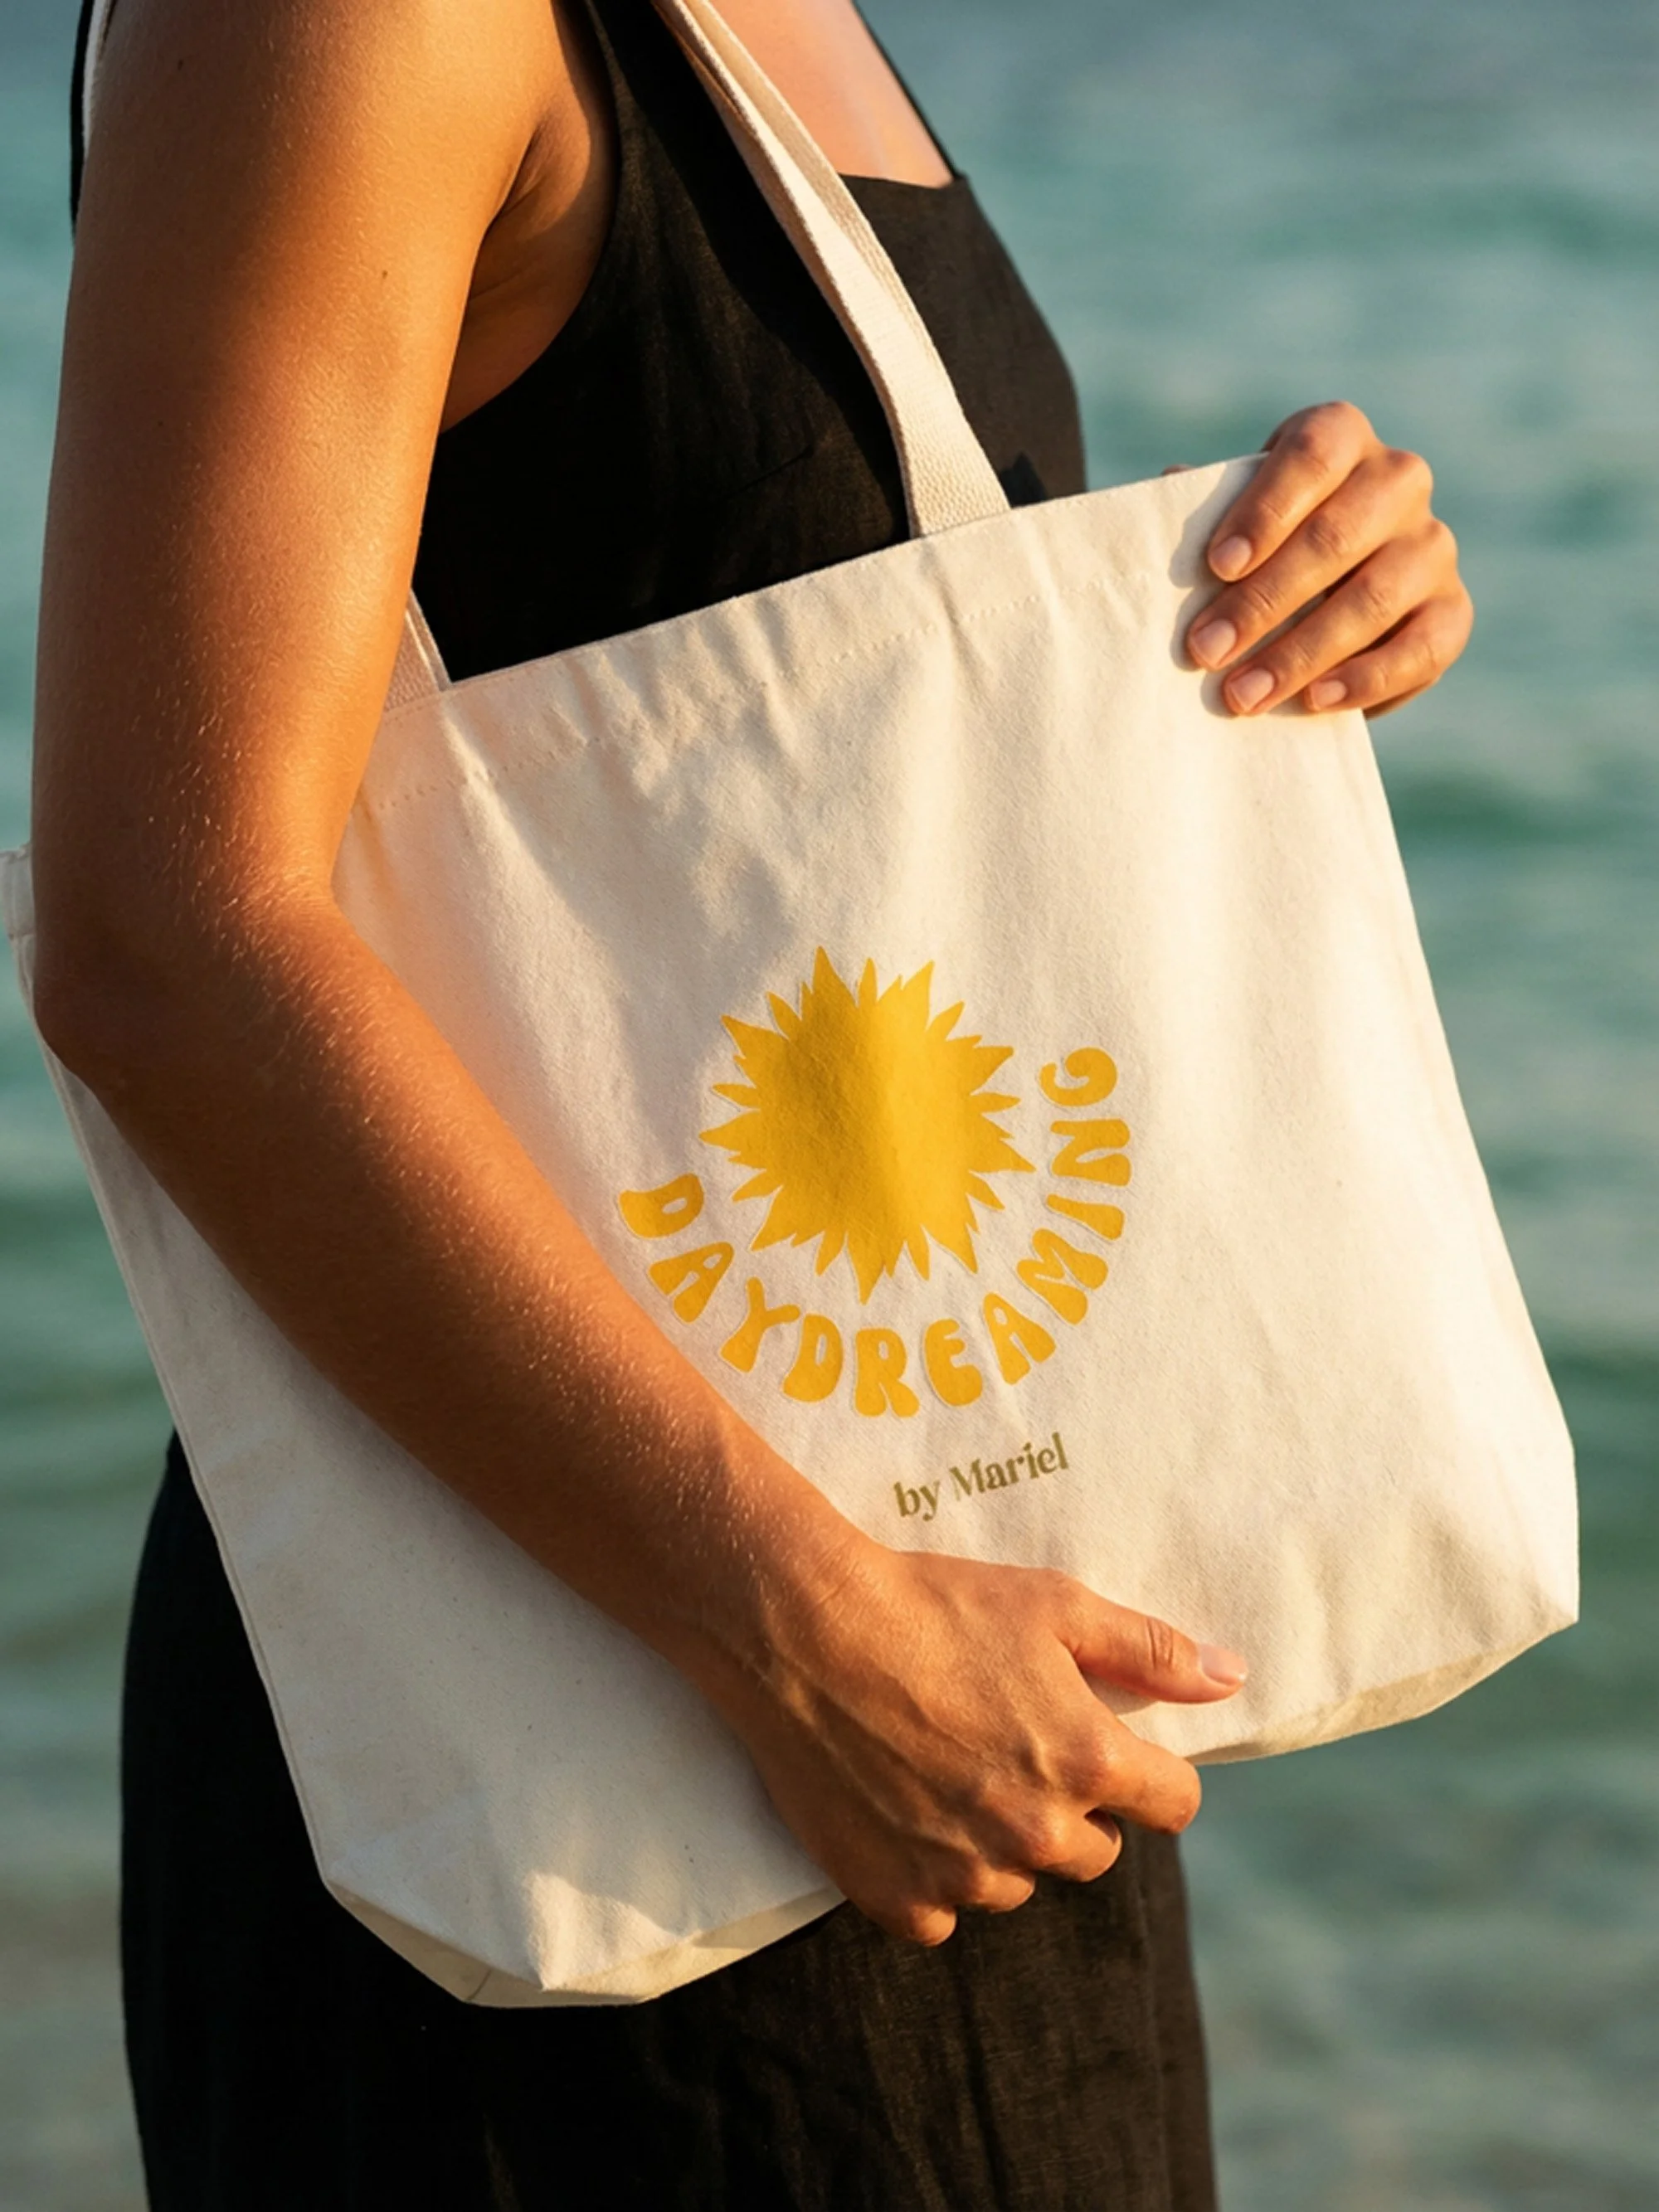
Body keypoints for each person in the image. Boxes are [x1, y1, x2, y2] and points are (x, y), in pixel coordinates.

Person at [35, 0, 1475, 2204]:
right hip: (629, 1698)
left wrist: (1299, 605)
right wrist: (796, 1623)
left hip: (932, 1685)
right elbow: (165, 937)